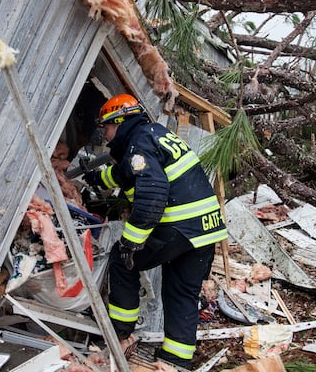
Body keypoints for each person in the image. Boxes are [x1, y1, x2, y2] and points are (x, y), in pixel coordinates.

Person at [83, 93, 228, 369]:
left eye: (107, 127)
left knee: (122, 259)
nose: (106, 135)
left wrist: (130, 243)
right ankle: (175, 362)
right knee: (181, 292)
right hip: (206, 229)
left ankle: (121, 331)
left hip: (179, 226)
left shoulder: (139, 144)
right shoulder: (154, 136)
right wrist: (94, 177)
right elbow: (126, 173)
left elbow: (152, 194)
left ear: (120, 121)